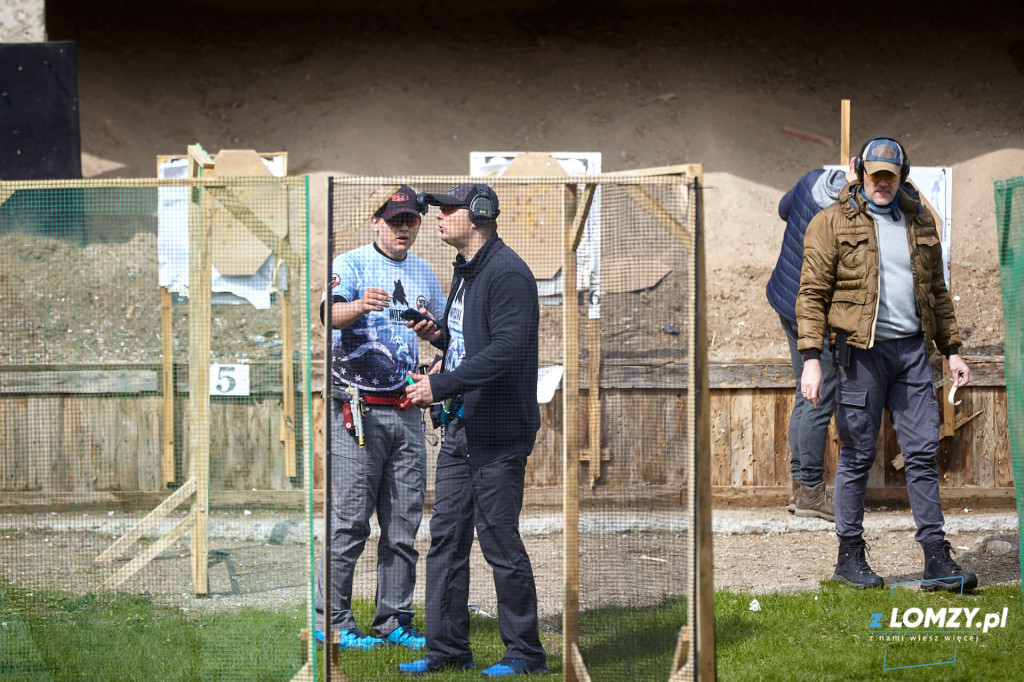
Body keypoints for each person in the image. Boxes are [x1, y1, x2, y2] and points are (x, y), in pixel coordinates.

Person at [797, 136, 977, 592]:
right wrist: (812, 360)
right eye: (874, 174)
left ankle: (936, 559)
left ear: (901, 176)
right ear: (861, 172)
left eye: (889, 176)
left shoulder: (919, 222)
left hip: (913, 353)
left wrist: (951, 349)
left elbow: (937, 291)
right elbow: (812, 294)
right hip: (859, 354)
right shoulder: (829, 223)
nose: (880, 183)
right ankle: (849, 556)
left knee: (921, 453)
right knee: (857, 454)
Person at [399, 183, 548, 677]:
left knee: (499, 542)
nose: (437, 216)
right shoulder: (467, 272)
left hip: (499, 433)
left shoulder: (508, 274)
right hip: (464, 429)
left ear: (479, 215)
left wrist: (439, 384)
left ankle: (525, 655)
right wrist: (437, 336)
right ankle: (447, 651)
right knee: (445, 540)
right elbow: (469, 341)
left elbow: (506, 350)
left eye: (448, 209)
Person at [315, 185, 445, 650]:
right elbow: (328, 315)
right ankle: (333, 622)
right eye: (395, 220)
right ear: (376, 222)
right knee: (349, 521)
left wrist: (435, 333)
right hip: (357, 411)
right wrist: (359, 307)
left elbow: (446, 337)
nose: (404, 227)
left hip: (408, 410)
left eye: (411, 220)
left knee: (403, 526)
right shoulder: (349, 264)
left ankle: (393, 621)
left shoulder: (426, 273)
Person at [766, 162, 855, 521]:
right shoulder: (848, 213)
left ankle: (800, 488)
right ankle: (811, 492)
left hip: (785, 298)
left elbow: (783, 209)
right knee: (820, 390)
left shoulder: (812, 177)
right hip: (810, 306)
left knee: (805, 390)